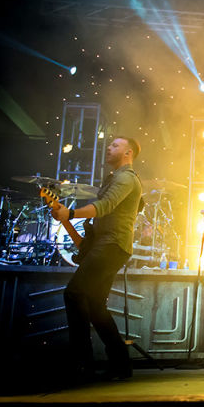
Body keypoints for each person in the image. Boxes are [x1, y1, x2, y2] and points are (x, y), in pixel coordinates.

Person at [51, 136, 143, 381]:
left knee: (74, 293)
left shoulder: (126, 178)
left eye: (115, 145)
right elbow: (99, 217)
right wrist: (66, 220)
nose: (108, 147)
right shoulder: (114, 177)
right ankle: (121, 365)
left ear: (128, 153)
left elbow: (105, 205)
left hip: (112, 244)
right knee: (95, 305)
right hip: (109, 244)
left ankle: (82, 363)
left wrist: (70, 212)